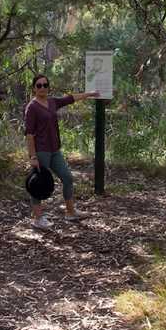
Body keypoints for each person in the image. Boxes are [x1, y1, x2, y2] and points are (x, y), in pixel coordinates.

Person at [24, 74, 98, 229]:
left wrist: (89, 94)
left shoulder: (52, 102)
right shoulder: (32, 107)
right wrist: (33, 156)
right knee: (38, 185)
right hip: (41, 151)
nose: (42, 88)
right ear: (33, 88)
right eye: (39, 85)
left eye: (45, 85)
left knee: (67, 178)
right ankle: (38, 219)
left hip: (55, 150)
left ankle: (70, 213)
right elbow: (29, 134)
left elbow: (70, 98)